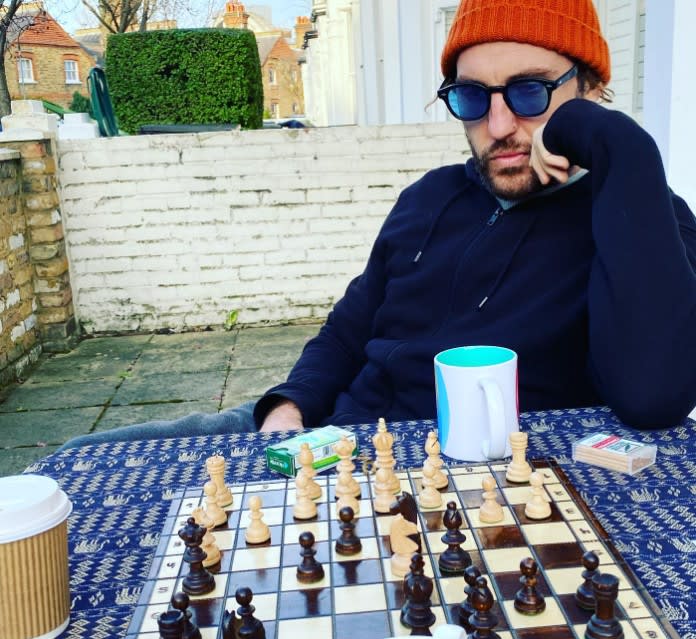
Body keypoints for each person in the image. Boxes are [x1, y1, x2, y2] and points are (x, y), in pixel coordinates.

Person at [60, 0, 696, 452]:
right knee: (71, 469)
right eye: (473, 97)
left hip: (474, 481)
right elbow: (350, 328)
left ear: (587, 88)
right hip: (330, 435)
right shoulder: (430, 197)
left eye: (530, 92)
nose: (499, 127)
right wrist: (292, 403)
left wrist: (620, 148)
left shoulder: (644, 220)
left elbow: (654, 397)